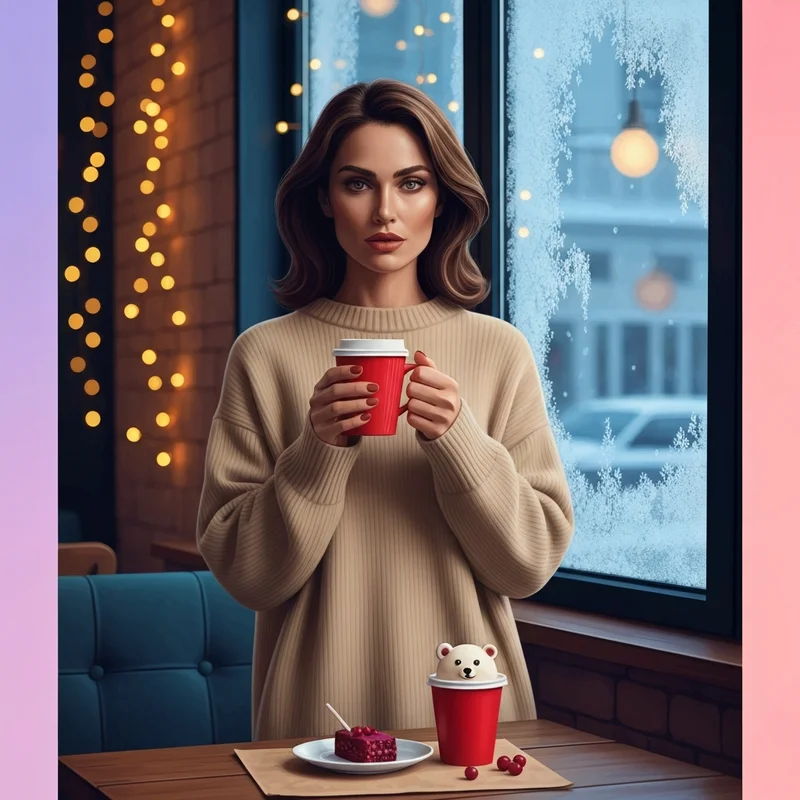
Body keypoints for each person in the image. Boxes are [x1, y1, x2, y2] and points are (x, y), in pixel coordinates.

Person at [197, 78, 574, 741]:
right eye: (357, 183)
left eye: (410, 183)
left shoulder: (498, 350)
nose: (384, 213)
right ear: (324, 199)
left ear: (441, 199)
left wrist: (461, 441)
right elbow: (248, 576)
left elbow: (527, 567)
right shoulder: (265, 354)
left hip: (472, 727)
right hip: (311, 728)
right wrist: (317, 451)